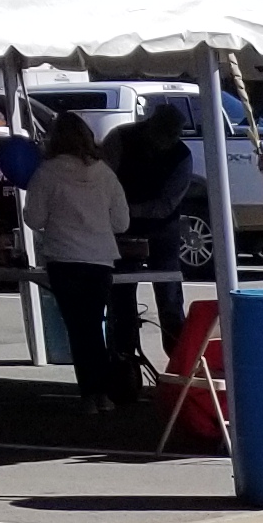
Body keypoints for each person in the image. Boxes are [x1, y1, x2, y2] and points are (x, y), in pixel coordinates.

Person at [21, 113, 135, 409]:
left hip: (65, 258)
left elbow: (34, 218)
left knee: (78, 328)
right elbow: (121, 222)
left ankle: (91, 392)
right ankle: (103, 392)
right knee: (93, 325)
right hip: (100, 259)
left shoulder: (46, 173)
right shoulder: (105, 173)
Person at [104, 100, 195, 372]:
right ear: (150, 127)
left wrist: (126, 210)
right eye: (165, 134)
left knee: (169, 297)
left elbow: (167, 204)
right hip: (122, 229)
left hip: (162, 230)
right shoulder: (120, 138)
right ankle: (123, 361)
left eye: (174, 135)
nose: (169, 142)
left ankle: (179, 363)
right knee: (120, 297)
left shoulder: (182, 156)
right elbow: (105, 180)